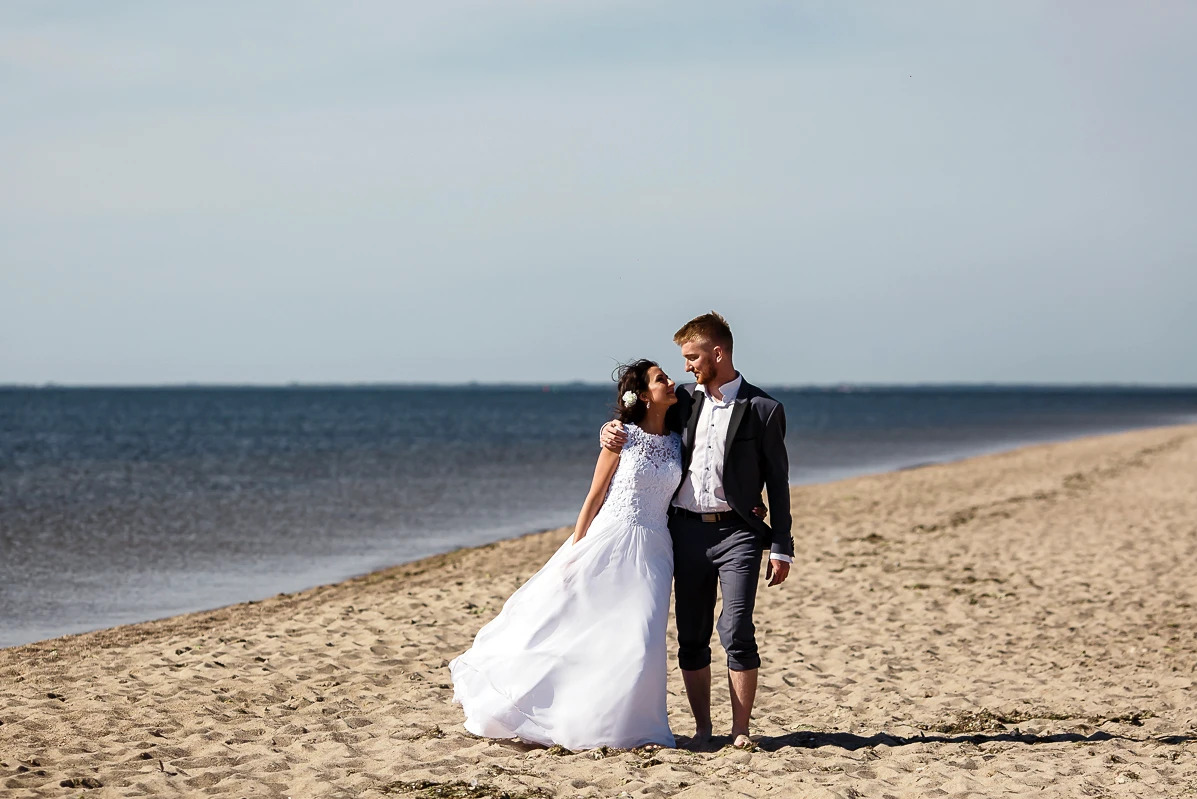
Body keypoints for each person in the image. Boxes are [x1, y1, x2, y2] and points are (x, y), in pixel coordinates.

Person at [449, 359, 683, 750]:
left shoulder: (678, 439)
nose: (672, 381)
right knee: (578, 630)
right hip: (610, 542)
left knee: (640, 641)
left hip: (656, 548)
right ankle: (549, 713)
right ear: (643, 394)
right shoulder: (621, 437)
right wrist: (576, 551)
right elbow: (593, 498)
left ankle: (629, 728)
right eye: (662, 379)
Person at [601, 311, 792, 749]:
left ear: (717, 353)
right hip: (684, 533)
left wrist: (782, 545)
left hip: (738, 534)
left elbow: (777, 481)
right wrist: (611, 428)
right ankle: (704, 729)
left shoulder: (763, 409)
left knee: (738, 627)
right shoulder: (683, 401)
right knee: (691, 634)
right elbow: (641, 425)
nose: (686, 366)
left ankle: (740, 731)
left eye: (691, 357)